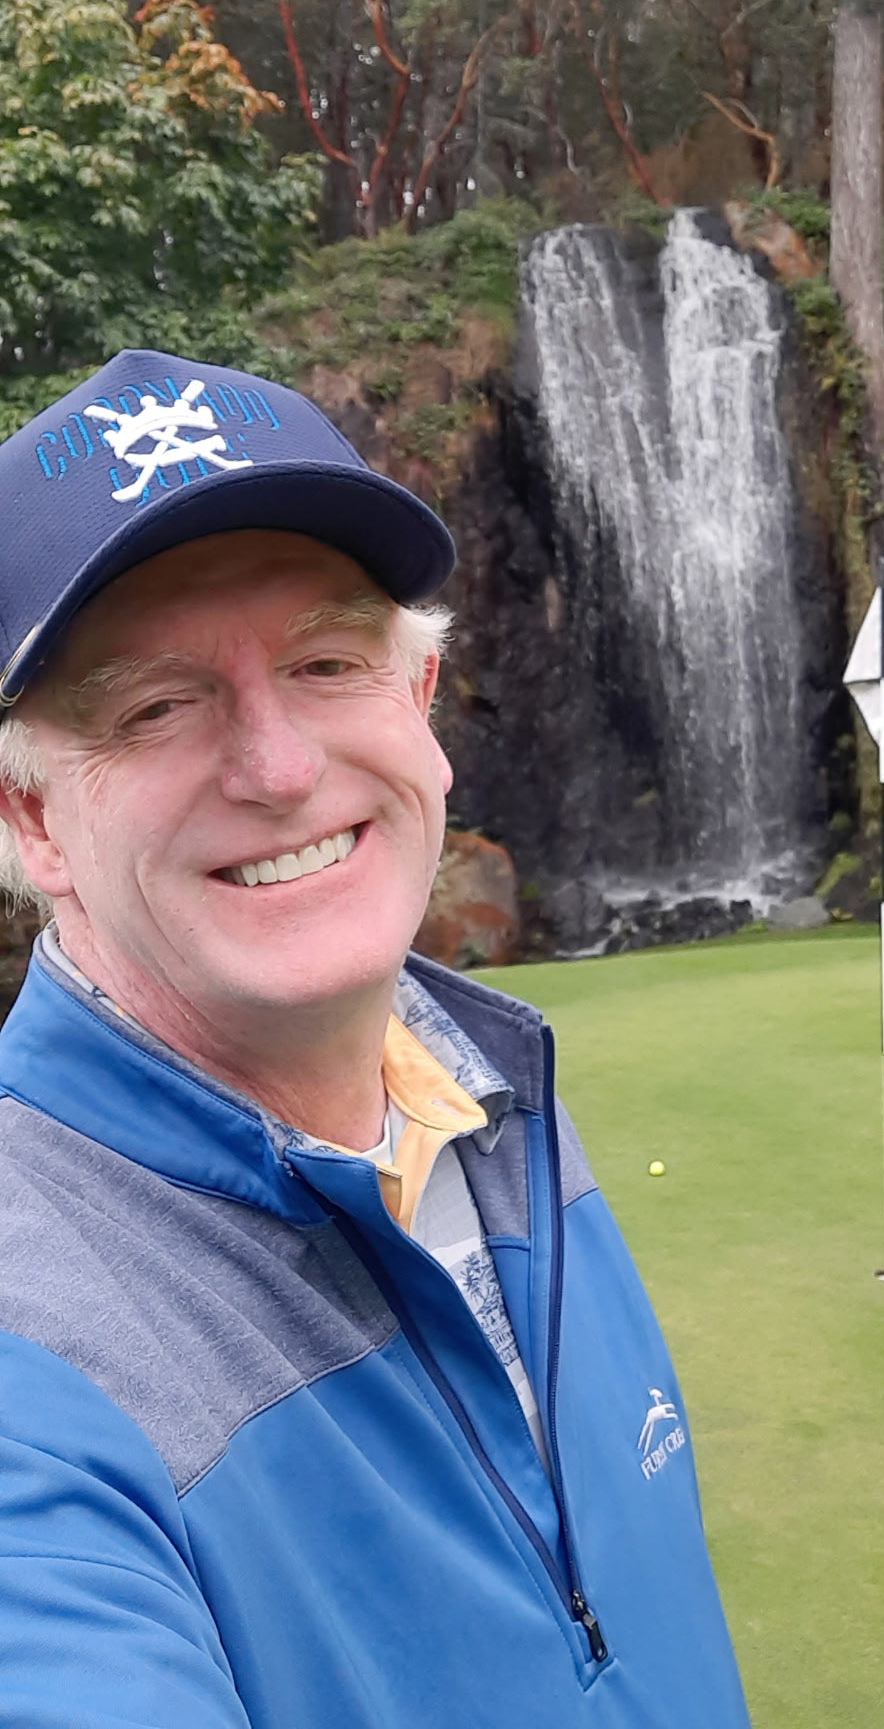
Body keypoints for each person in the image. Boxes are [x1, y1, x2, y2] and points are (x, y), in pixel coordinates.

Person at [0, 349, 750, 1729]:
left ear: (419, 705)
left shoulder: (495, 1096)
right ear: (34, 817)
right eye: (156, 705)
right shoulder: (32, 1356)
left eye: (328, 660)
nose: (280, 768)